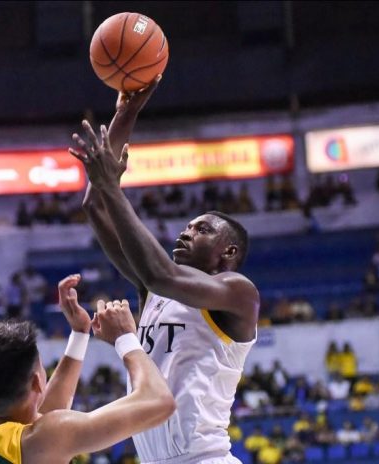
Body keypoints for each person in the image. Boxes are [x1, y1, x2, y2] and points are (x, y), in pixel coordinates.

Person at [70, 81, 259, 463]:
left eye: (202, 229)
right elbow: (95, 205)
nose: (187, 232)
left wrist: (112, 186)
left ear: (229, 252)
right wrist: (126, 114)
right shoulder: (154, 288)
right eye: (187, 226)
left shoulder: (237, 292)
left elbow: (163, 275)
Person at [0, 275, 175, 463]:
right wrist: (125, 337)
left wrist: (80, 333)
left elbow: (46, 417)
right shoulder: (41, 439)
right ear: (37, 381)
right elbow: (159, 402)